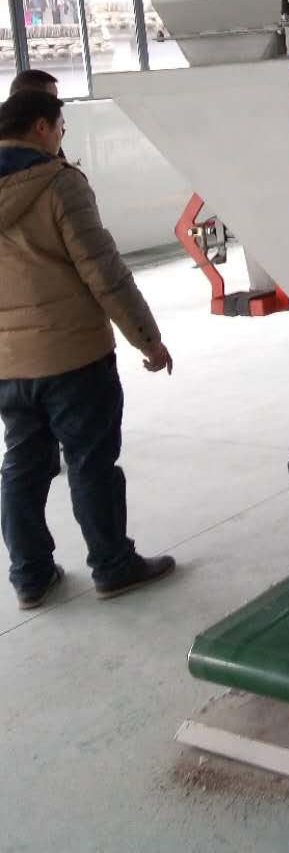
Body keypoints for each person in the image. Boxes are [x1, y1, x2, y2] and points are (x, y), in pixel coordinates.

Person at [0, 89, 175, 610]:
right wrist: (147, 338)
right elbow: (103, 271)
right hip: (73, 357)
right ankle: (113, 566)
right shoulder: (58, 183)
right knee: (90, 462)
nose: (61, 137)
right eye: (60, 127)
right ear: (41, 127)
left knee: (22, 466)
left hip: (8, 365)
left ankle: (30, 576)